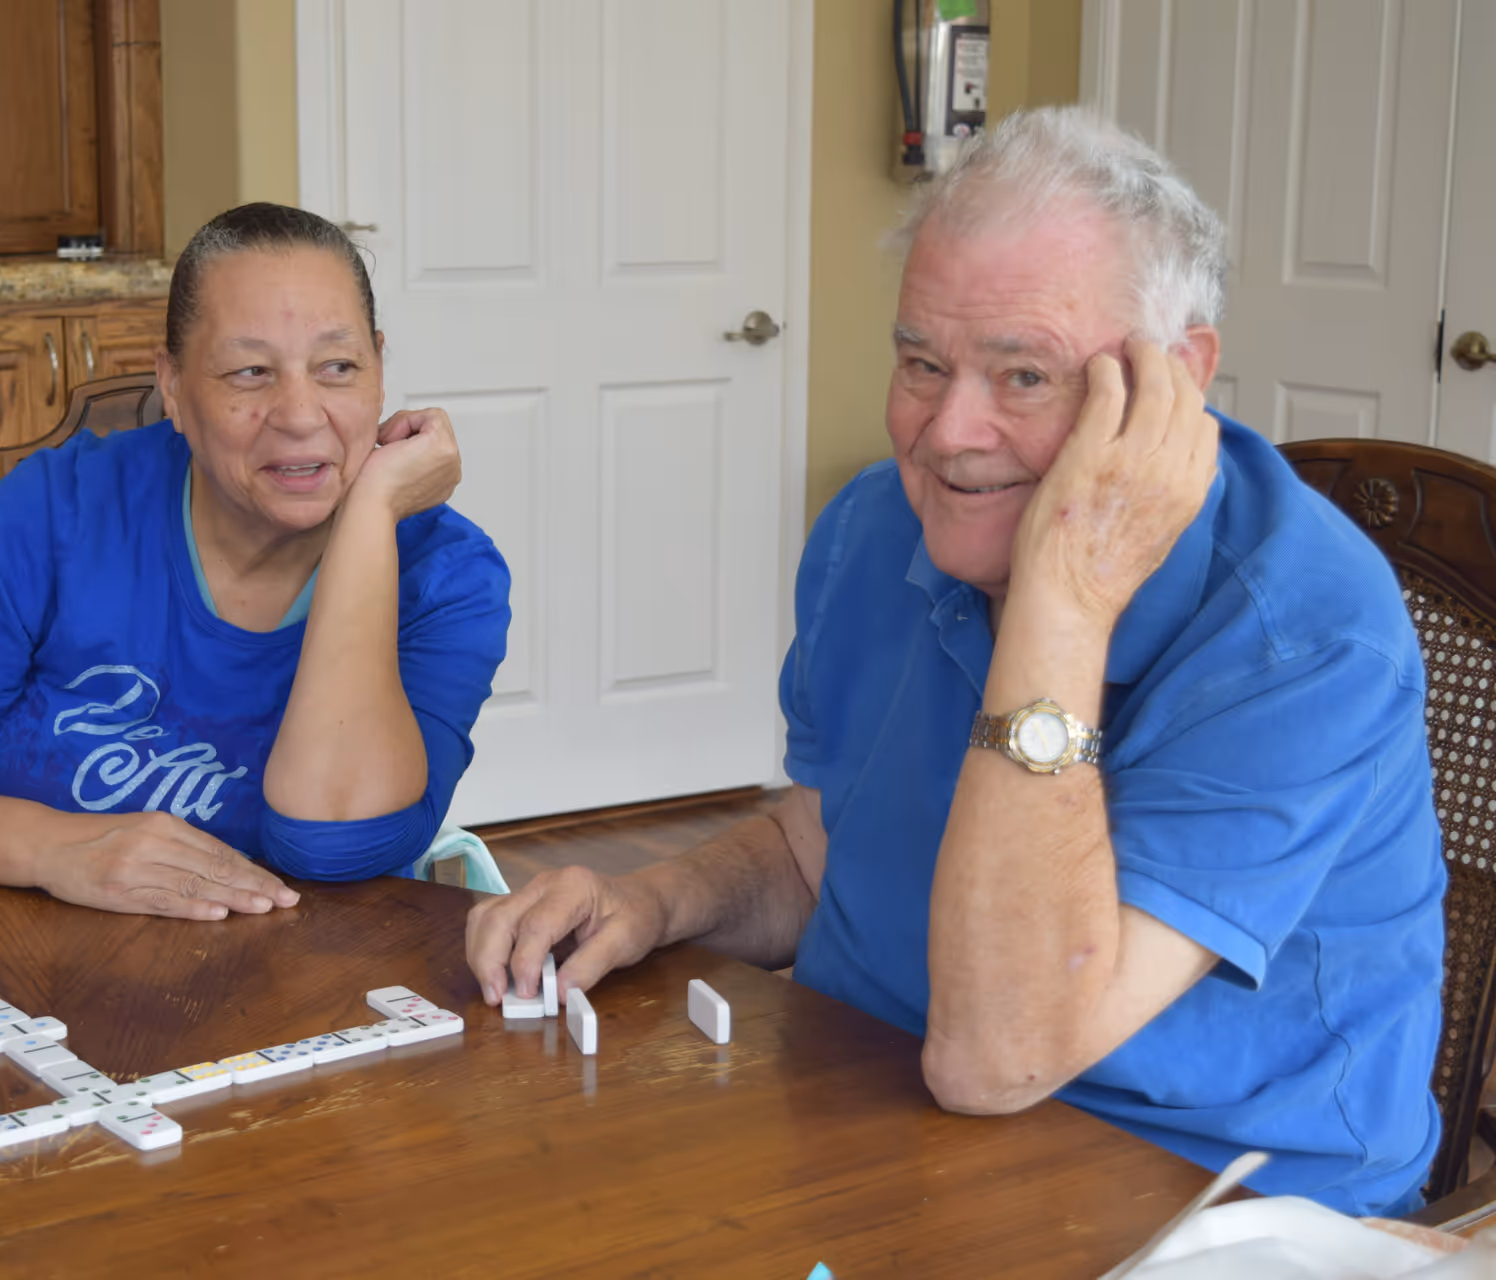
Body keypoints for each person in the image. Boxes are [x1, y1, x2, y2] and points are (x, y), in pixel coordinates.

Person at [466, 108, 1445, 1216]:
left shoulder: (1305, 636)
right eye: (922, 362)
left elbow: (999, 1056)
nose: (947, 432)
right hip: (874, 1098)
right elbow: (829, 837)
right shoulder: (873, 529)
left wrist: (1063, 600)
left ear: (1177, 379)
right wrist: (655, 897)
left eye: (1023, 375)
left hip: (1210, 1197)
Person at [0, 203, 511, 920]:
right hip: (28, 994)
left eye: (337, 367)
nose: (302, 415)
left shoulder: (448, 577)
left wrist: (371, 516)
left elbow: (331, 844)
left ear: (380, 369)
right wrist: (64, 850)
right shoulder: (61, 511)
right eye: (249, 372)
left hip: (310, 1012)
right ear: (173, 388)